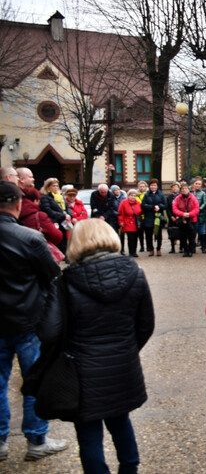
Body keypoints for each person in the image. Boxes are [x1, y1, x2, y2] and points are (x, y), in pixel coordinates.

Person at [54, 219, 154, 473]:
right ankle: (129, 468)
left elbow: (50, 331)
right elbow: (145, 324)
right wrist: (127, 348)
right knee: (120, 420)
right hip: (122, 362)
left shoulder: (66, 281)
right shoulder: (135, 273)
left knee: (88, 431)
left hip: (82, 366)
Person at [0, 182, 67, 462]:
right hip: (27, 320)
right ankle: (37, 439)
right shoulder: (29, 238)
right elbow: (53, 276)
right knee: (35, 380)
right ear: (18, 205)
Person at [39, 177, 71, 253]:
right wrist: (63, 216)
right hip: (53, 222)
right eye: (53, 186)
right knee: (57, 242)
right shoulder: (45, 197)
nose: (56, 187)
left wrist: (69, 215)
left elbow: (67, 207)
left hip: (63, 222)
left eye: (57, 186)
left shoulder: (60, 196)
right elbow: (48, 210)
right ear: (48, 187)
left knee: (65, 242)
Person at [172, 183, 200, 257]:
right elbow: (174, 208)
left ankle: (190, 250)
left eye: (185, 188)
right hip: (182, 219)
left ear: (188, 189)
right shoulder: (177, 198)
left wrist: (189, 214)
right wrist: (182, 214)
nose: (184, 190)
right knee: (183, 236)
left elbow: (196, 208)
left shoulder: (193, 198)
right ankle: (185, 250)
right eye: (182, 189)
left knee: (192, 236)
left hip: (191, 219)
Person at [140, 179, 167, 257]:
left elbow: (165, 205)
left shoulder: (161, 195)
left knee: (158, 234)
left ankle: (158, 249)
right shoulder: (146, 195)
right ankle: (151, 249)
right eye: (152, 185)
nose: (153, 187)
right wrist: (152, 207)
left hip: (158, 217)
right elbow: (143, 205)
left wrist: (159, 207)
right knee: (148, 235)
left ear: (157, 186)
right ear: (149, 186)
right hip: (149, 217)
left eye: (155, 185)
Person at [118, 189, 144, 257]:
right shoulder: (123, 202)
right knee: (131, 237)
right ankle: (131, 252)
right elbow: (120, 213)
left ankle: (134, 251)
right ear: (128, 195)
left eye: (134, 195)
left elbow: (140, 211)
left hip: (136, 222)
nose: (133, 197)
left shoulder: (138, 203)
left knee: (135, 238)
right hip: (128, 222)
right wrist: (121, 221)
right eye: (131, 195)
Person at [192, 178, 206, 254]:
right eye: (196, 183)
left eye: (199, 184)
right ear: (193, 184)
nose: (197, 185)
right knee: (193, 232)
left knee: (202, 232)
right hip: (193, 215)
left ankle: (203, 247)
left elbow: (204, 203)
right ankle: (192, 247)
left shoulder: (203, 193)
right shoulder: (190, 193)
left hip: (201, 215)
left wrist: (198, 209)